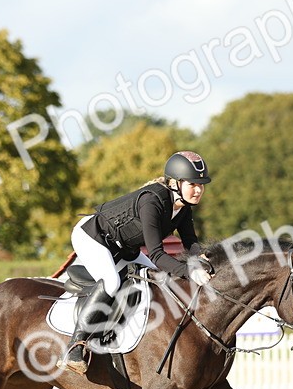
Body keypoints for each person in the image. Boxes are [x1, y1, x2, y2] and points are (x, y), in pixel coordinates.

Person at [59, 150, 214, 374]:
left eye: (202, 184)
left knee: (159, 281)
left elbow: (191, 243)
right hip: (93, 237)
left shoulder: (182, 207)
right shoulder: (152, 201)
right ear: (174, 183)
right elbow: (158, 255)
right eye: (193, 184)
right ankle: (75, 345)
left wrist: (203, 259)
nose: (199, 190)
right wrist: (189, 272)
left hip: (124, 248)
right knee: (111, 282)